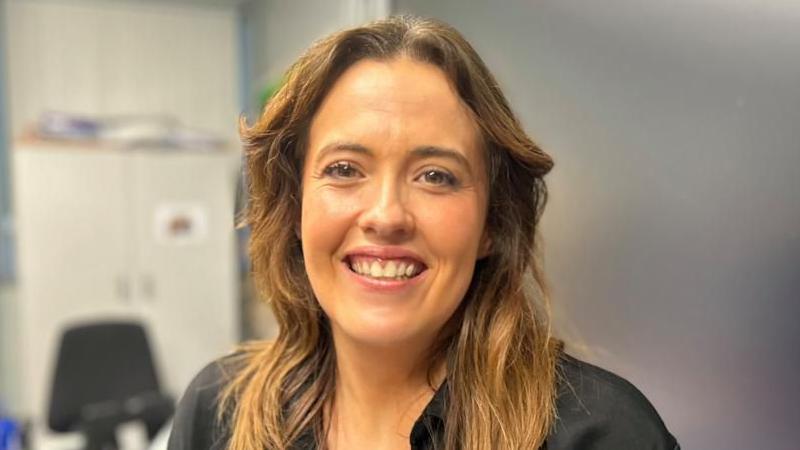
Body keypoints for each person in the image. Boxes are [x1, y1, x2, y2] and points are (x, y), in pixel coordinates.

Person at [168, 15, 680, 450]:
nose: (386, 215)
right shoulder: (218, 413)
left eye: (436, 176)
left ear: (492, 225)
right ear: (295, 205)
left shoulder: (603, 434)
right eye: (345, 169)